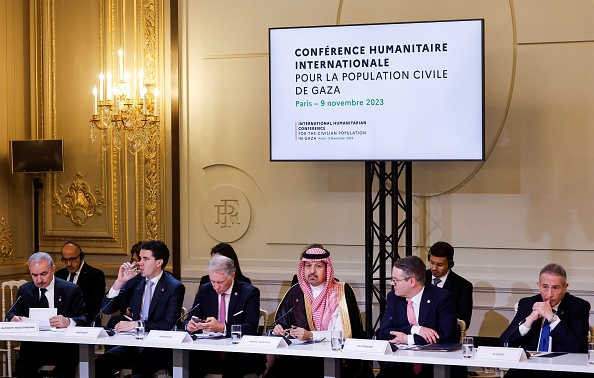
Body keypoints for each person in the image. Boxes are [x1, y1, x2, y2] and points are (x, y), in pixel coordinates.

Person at [267, 246, 371, 378]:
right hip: (300, 357)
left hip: (335, 357)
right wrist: (279, 330)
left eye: (318, 266)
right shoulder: (295, 292)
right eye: (308, 266)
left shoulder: (340, 292)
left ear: (327, 268)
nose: (312, 271)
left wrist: (311, 335)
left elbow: (343, 333)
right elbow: (282, 325)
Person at [95, 240, 185, 378]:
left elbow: (168, 324)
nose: (140, 263)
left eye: (145, 259)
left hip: (159, 347)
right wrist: (119, 281)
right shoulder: (134, 281)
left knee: (140, 372)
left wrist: (136, 324)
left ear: (159, 262)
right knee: (100, 364)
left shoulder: (174, 287)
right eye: (140, 258)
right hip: (135, 343)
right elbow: (107, 309)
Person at [499, 263, 590, 378]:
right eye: (545, 287)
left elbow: (576, 346)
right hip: (529, 369)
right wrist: (529, 320)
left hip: (562, 370)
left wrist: (551, 318)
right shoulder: (527, 304)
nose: (549, 294)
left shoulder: (578, 307)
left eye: (555, 288)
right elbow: (505, 342)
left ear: (565, 287)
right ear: (539, 285)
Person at [184, 254, 265, 377]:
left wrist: (222, 327)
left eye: (220, 282)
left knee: (234, 366)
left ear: (232, 275)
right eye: (212, 281)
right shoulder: (205, 290)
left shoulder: (249, 293)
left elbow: (251, 327)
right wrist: (189, 325)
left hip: (238, 351)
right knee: (190, 362)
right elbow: (189, 319)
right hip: (209, 350)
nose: (216, 287)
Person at [8, 252, 87, 378]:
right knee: (23, 368)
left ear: (53, 269)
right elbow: (11, 313)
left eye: (43, 274)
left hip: (63, 346)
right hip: (34, 346)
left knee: (63, 371)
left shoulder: (71, 289)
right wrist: (13, 318)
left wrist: (69, 321)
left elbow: (84, 318)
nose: (39, 280)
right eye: (34, 275)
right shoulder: (25, 290)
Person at [377, 255, 457, 378]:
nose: (392, 283)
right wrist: (414, 329)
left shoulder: (442, 298)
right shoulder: (394, 298)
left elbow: (447, 336)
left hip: (433, 365)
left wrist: (408, 339)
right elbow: (382, 332)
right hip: (400, 365)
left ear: (412, 281)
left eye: (396, 280)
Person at [55, 241, 106, 326]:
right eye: (65, 260)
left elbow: (94, 306)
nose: (69, 264)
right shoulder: (60, 274)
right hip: (61, 324)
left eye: (72, 259)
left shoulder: (96, 275)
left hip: (86, 323)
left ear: (81, 256)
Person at [424, 241, 473, 329]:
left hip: (446, 335)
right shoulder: (419, 278)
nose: (434, 268)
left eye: (440, 265)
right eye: (431, 263)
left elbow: (464, 322)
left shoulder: (463, 286)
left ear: (450, 264)